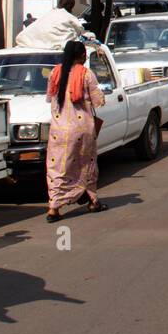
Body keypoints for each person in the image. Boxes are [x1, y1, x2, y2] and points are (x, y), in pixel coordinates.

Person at [44, 40, 107, 222]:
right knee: (86, 165)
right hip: (82, 130)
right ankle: (92, 201)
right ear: (81, 56)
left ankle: (54, 208)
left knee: (58, 167)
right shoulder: (86, 74)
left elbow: (49, 98)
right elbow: (98, 101)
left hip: (58, 130)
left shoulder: (55, 73)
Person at [15, 0, 84, 48]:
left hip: (27, 42)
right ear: (70, 6)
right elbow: (79, 30)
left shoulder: (47, 15)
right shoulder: (69, 17)